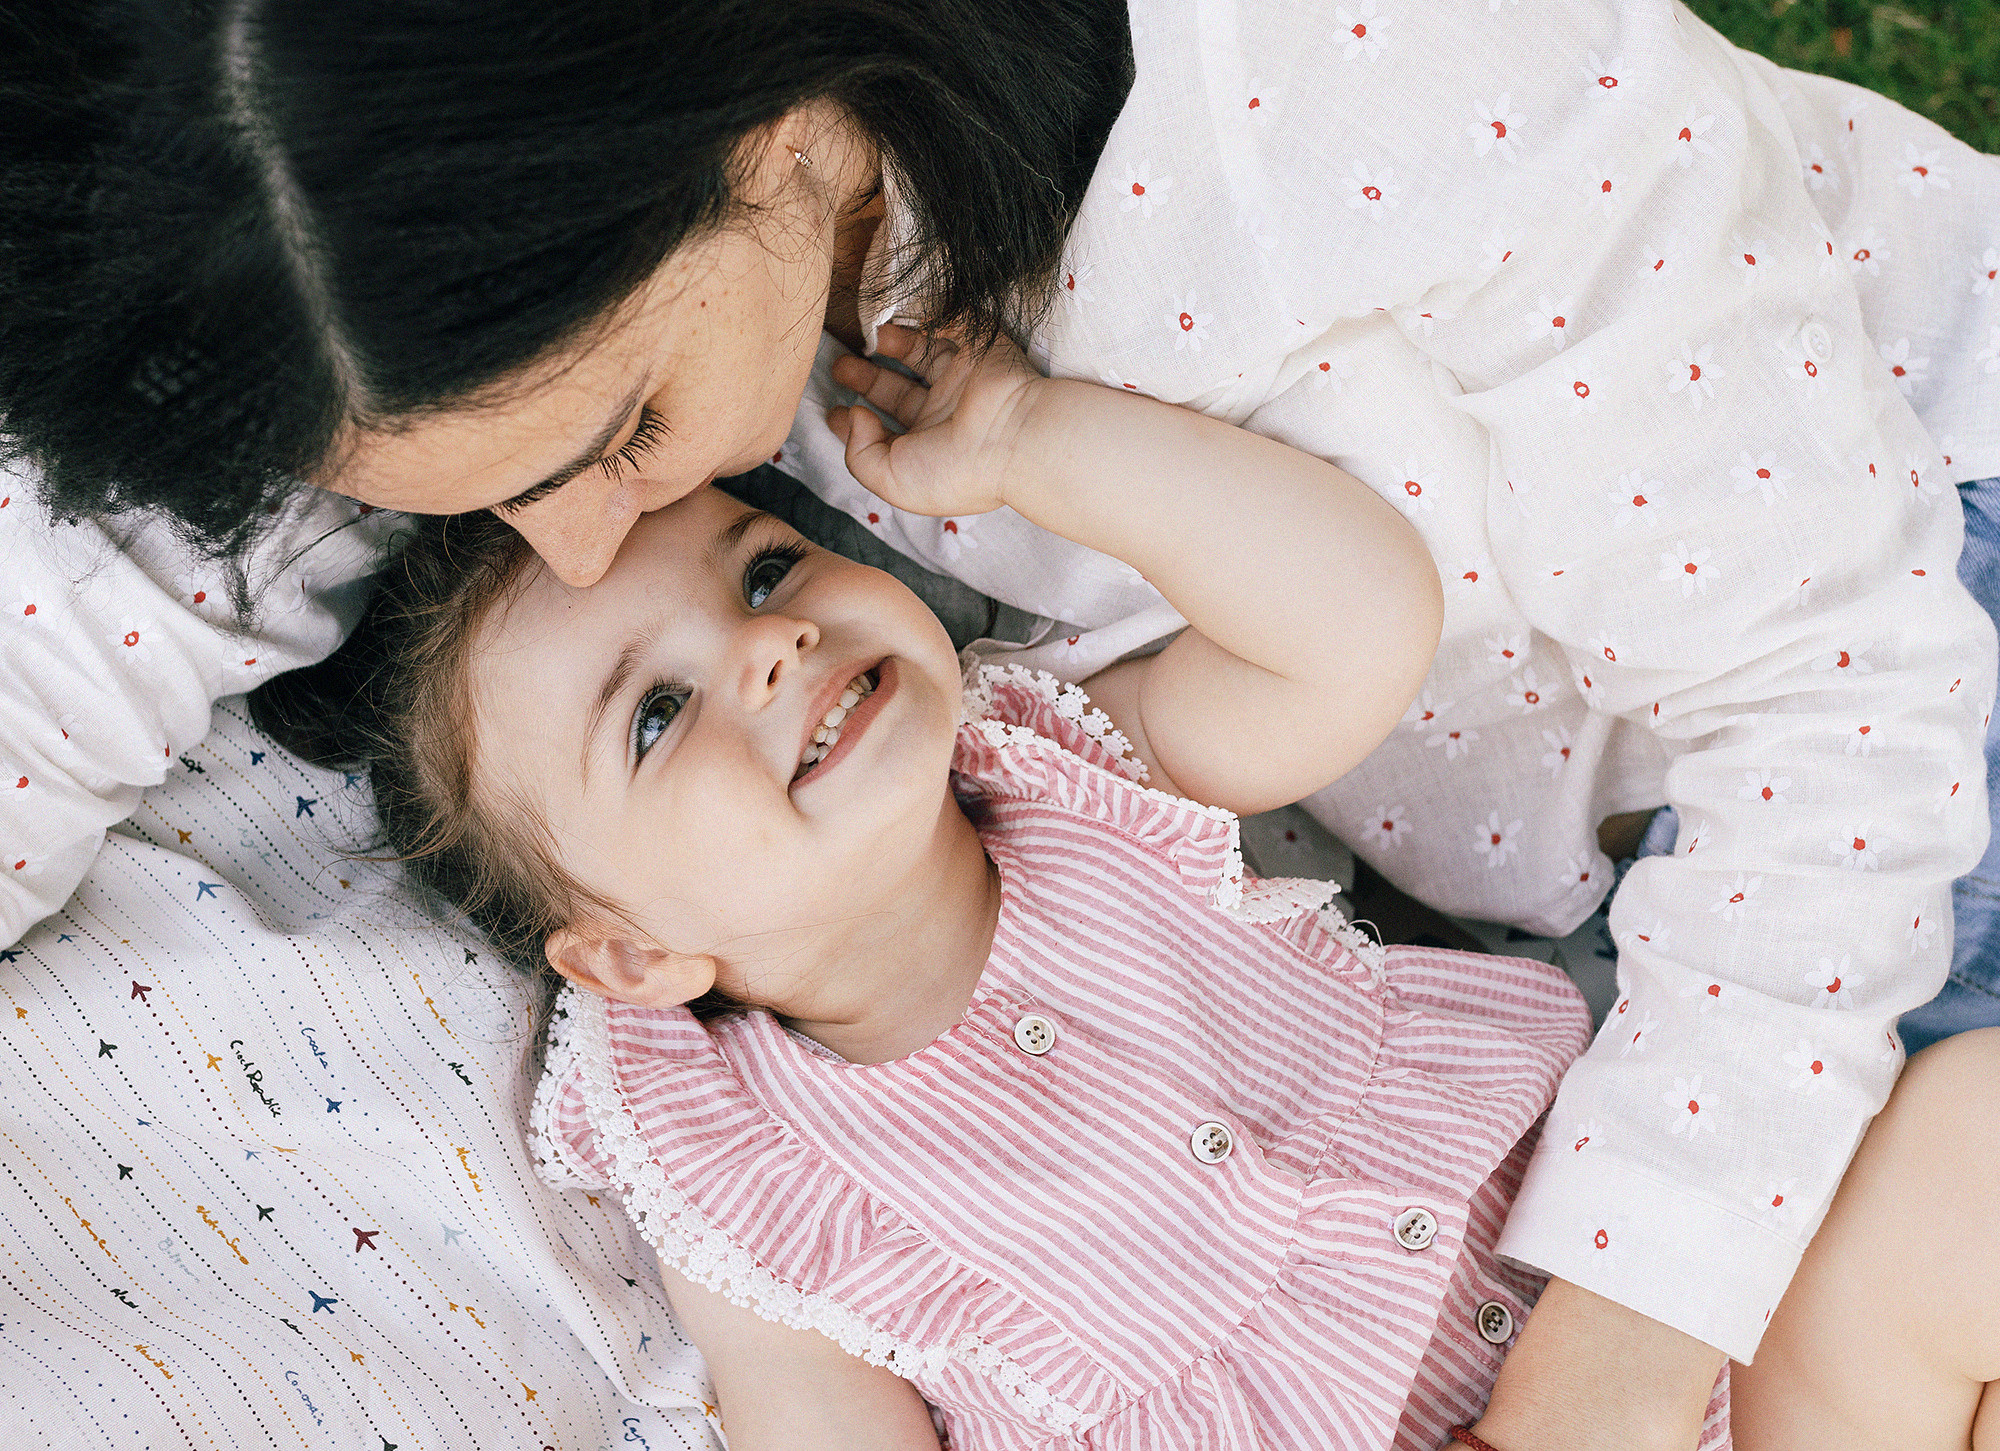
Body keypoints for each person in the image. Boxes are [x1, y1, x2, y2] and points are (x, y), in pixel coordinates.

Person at [3, 2, 1997, 1444]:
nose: (613, 536)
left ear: (769, 129)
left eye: (618, 439)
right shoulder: (536, 275)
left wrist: (1605, 1387)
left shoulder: (1373, 74)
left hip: (1906, 714)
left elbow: (1839, 702)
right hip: (1671, 971)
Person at [265, 327, 2000, 1449]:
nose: (774, 643)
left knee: (1964, 1140)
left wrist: (1038, 442)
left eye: (767, 565)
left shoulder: (1065, 761)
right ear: (633, 954)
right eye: (657, 714)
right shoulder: (728, 1165)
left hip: (1680, 1349)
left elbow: (1351, 627)